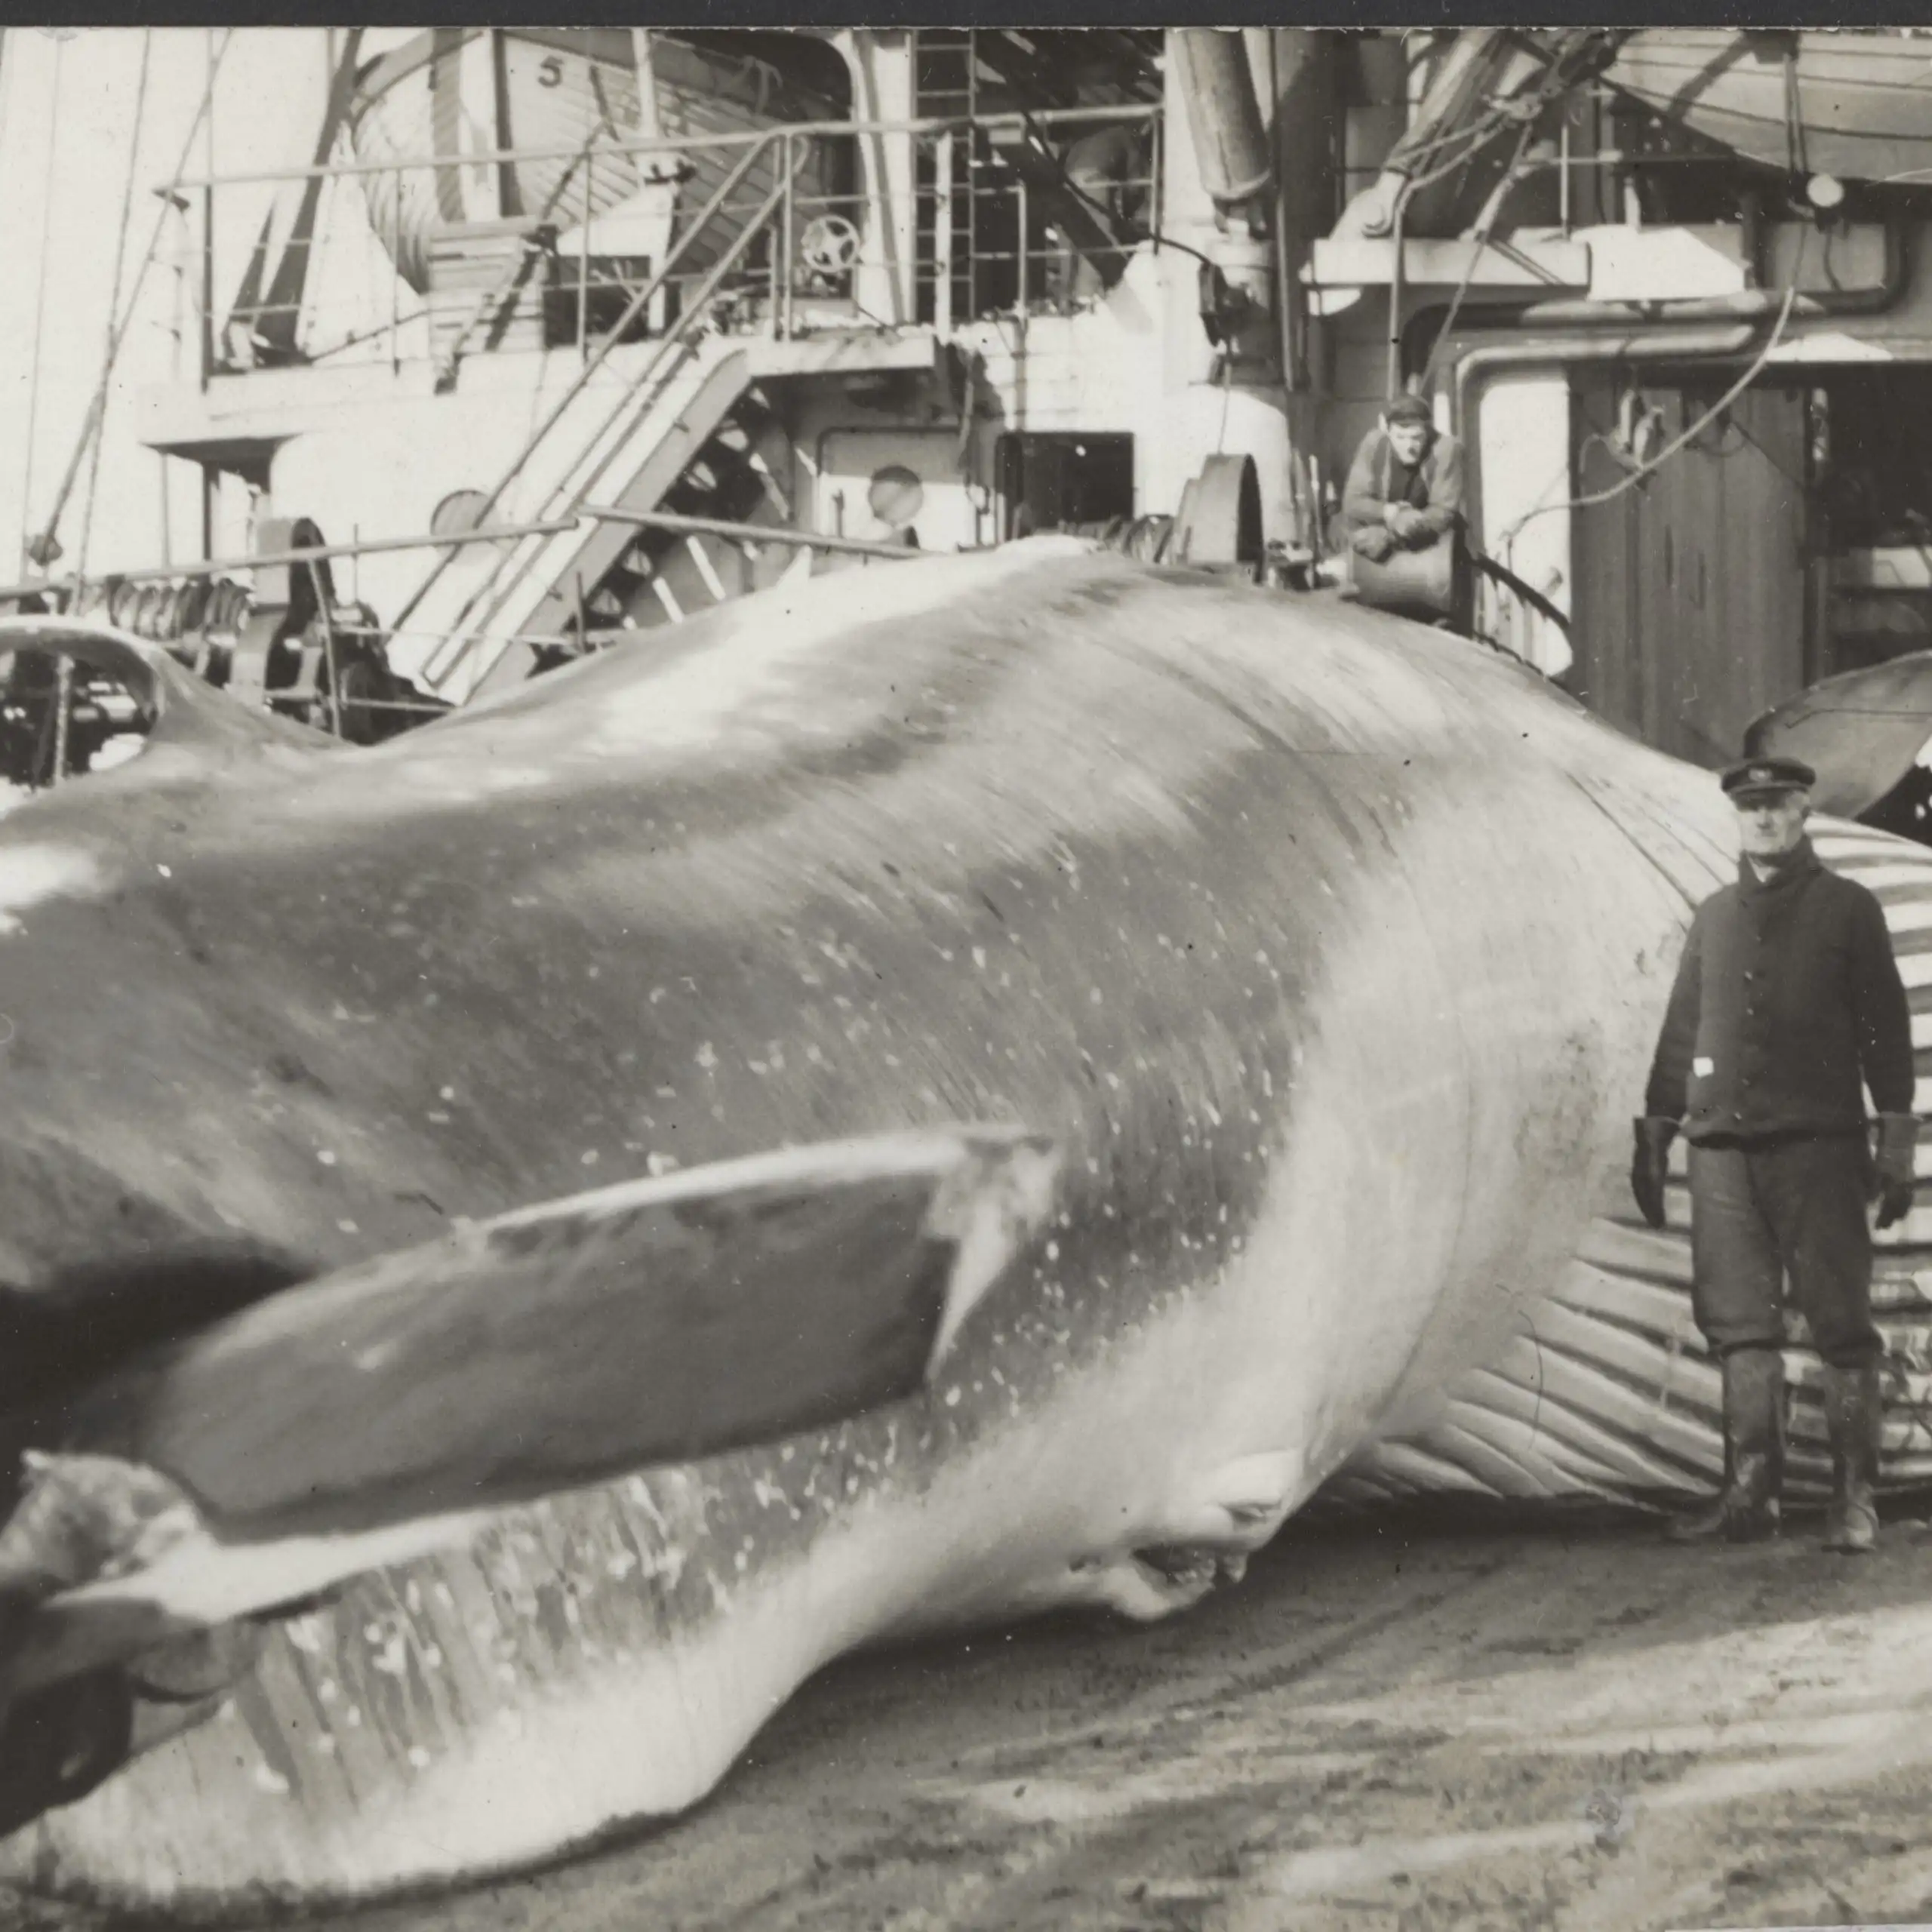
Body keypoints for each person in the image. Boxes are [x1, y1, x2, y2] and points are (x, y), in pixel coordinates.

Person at [1632, 755, 1916, 1553]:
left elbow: (1884, 1030)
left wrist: (1896, 1137)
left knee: (1840, 1322)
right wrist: (1655, 1132)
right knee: (1739, 1325)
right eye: (1749, 806)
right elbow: (1681, 1034)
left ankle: (1853, 1499)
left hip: (1818, 1150)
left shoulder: (1848, 909)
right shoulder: (1714, 917)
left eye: (1777, 804)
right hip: (1722, 1152)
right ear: (1737, 816)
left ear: (1803, 813)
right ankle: (1750, 1495)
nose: (1762, 818)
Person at [1337, 393, 1465, 564]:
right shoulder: (1374, 445)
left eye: (1416, 437)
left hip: (1432, 548)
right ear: (1388, 432)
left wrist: (1395, 533)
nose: (1409, 446)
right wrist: (1389, 512)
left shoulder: (1446, 449)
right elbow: (1352, 502)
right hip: (1378, 545)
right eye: (1400, 437)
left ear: (1428, 432)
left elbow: (1443, 513)